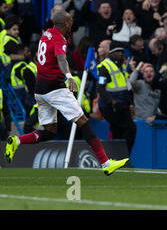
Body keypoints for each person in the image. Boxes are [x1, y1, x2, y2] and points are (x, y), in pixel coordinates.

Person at [3, 11, 129, 175]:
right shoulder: (58, 39)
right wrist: (69, 76)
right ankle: (106, 163)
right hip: (55, 88)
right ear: (66, 24)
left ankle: (17, 141)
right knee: (83, 121)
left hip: (40, 91)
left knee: (49, 131)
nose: (73, 23)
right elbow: (61, 59)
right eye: (71, 21)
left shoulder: (46, 34)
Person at [97, 41, 136, 153]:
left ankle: (118, 158)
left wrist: (131, 103)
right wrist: (113, 102)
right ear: (111, 53)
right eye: (117, 51)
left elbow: (126, 88)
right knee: (130, 128)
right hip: (110, 106)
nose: (120, 54)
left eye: (122, 52)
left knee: (118, 132)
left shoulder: (121, 67)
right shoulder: (104, 67)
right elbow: (100, 88)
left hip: (122, 104)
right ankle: (123, 156)